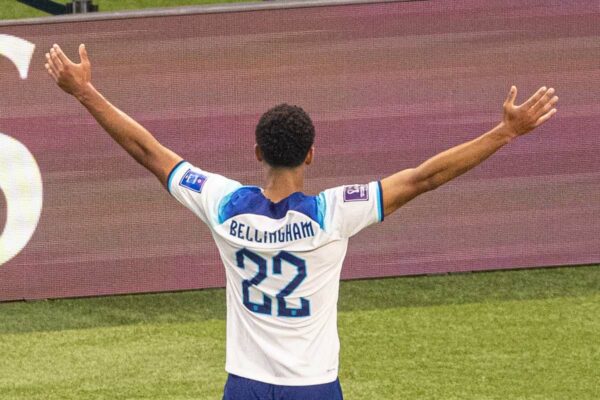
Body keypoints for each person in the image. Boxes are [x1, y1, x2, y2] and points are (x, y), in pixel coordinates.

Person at [45, 43, 558, 400]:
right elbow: (424, 178)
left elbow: (147, 151)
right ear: (311, 154)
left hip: (244, 382)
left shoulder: (223, 206)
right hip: (312, 385)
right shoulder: (334, 214)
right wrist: (505, 133)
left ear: (256, 152)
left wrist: (84, 91)